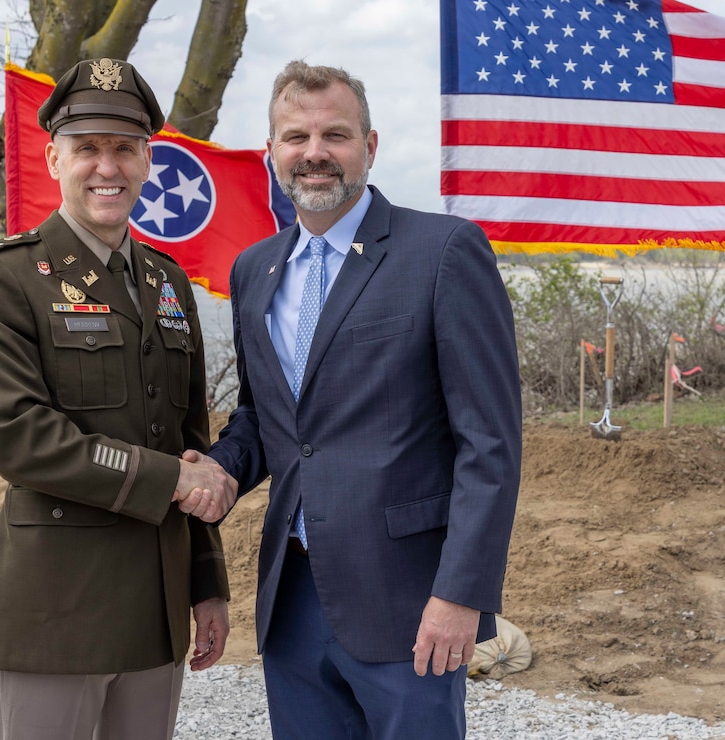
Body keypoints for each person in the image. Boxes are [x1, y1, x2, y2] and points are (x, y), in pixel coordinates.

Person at [188, 60, 522, 738]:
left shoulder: (444, 252)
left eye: (335, 135)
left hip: (409, 601)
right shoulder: (254, 271)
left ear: (370, 146)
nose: (315, 153)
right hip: (293, 598)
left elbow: (491, 444)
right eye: (295, 137)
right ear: (272, 152)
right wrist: (222, 468)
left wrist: (461, 595)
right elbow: (266, 416)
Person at [0, 57, 236, 740]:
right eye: (87, 149)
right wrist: (174, 480)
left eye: (124, 149)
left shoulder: (166, 284)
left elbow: (186, 439)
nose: (106, 167)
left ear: (148, 161)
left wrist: (206, 582)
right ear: (53, 158)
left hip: (156, 604)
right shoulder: (3, 279)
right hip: (57, 609)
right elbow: (19, 437)